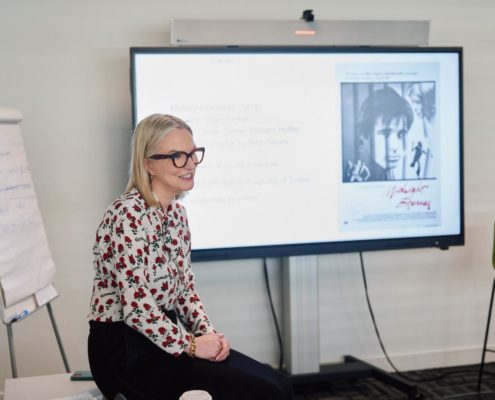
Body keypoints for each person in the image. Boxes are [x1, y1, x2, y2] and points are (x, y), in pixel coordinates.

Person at [87, 114, 293, 400]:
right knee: (263, 392)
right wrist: (193, 345)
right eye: (177, 157)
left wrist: (209, 335)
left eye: (193, 154)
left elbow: (184, 289)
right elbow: (136, 310)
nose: (191, 164)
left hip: (166, 336)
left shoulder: (177, 215)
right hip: (125, 349)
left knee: (278, 383)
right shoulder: (127, 214)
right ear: (148, 164)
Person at [357, 87, 414, 181]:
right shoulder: (361, 177)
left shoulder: (385, 172)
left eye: (401, 134)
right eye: (386, 134)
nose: (395, 147)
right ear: (365, 134)